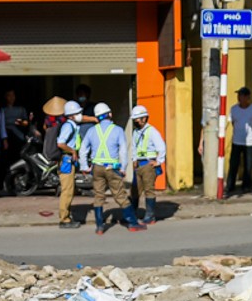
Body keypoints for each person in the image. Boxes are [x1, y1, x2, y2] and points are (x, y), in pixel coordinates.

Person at [83, 102, 141, 234]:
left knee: (99, 196)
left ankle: (99, 227)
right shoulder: (118, 130)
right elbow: (123, 151)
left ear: (97, 118)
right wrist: (123, 167)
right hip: (112, 167)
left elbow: (83, 150)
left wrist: (84, 166)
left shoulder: (91, 131)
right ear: (110, 114)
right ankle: (132, 223)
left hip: (97, 167)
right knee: (120, 195)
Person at [126, 103, 167, 225]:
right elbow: (133, 147)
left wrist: (159, 161)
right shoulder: (136, 132)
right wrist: (134, 160)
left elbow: (161, 147)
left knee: (149, 190)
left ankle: (150, 215)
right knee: (134, 190)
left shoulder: (152, 131)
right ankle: (133, 212)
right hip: (138, 164)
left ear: (144, 118)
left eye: (137, 119)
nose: (135, 121)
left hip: (148, 164)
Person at [52, 100, 84, 228]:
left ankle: (66, 216)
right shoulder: (68, 126)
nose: (79, 115)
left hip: (69, 159)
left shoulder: (73, 125)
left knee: (69, 190)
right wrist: (72, 151)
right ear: (71, 115)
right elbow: (60, 143)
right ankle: (64, 219)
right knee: (67, 191)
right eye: (77, 113)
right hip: (66, 160)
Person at [229, 87, 252, 192]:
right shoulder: (234, 109)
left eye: (242, 95)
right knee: (234, 163)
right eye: (238, 95)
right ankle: (230, 185)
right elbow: (232, 122)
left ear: (247, 97)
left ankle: (246, 185)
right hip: (237, 140)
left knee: (248, 164)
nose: (239, 97)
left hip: (249, 141)